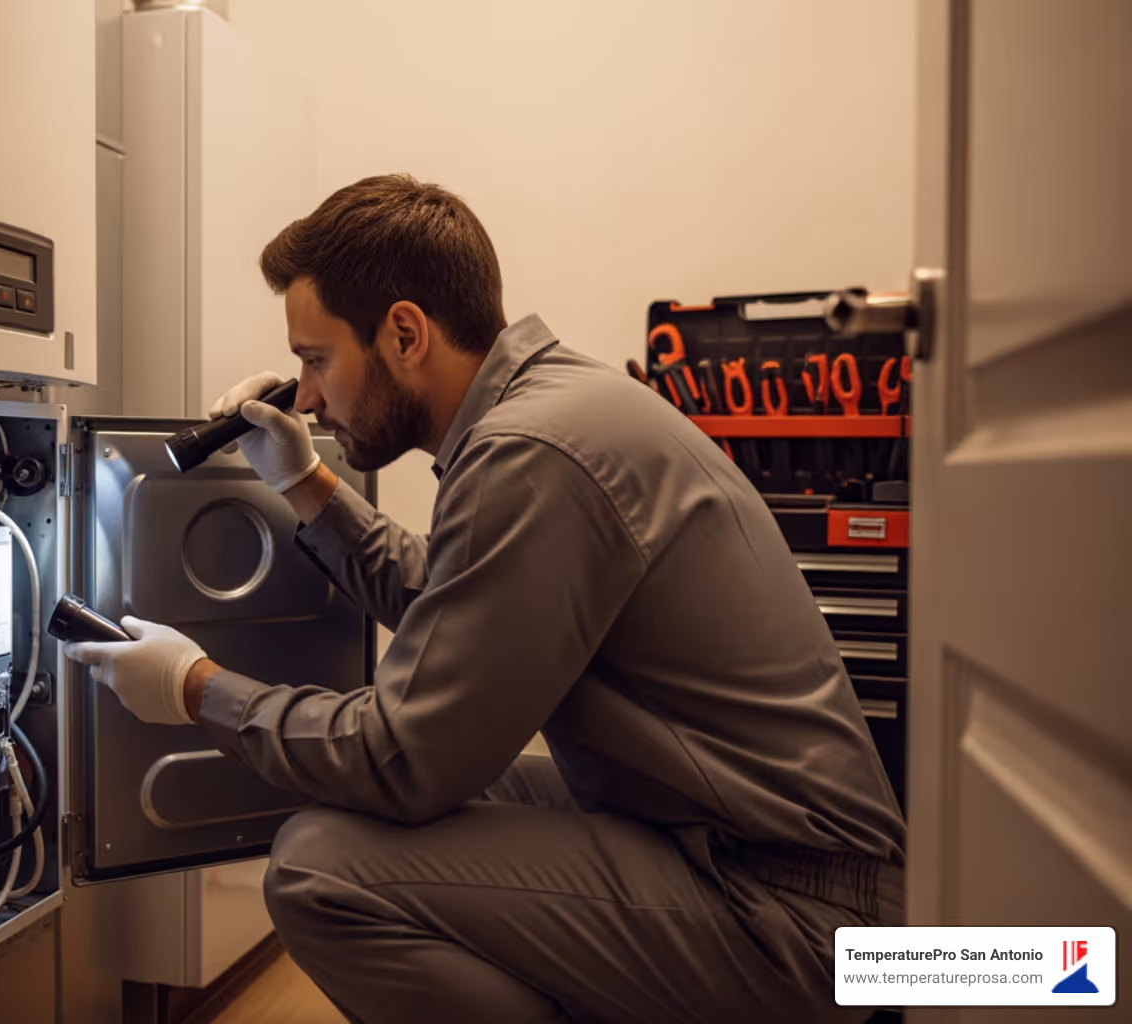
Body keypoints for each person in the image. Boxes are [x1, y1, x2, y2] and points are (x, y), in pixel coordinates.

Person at [64, 174, 904, 1024]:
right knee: (444, 796)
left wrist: (194, 688)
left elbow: (405, 762)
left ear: (404, 333)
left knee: (321, 867)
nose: (307, 396)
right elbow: (451, 602)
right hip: (727, 843)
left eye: (316, 360)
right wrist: (303, 480)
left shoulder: (530, 452)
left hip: (803, 923)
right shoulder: (555, 405)